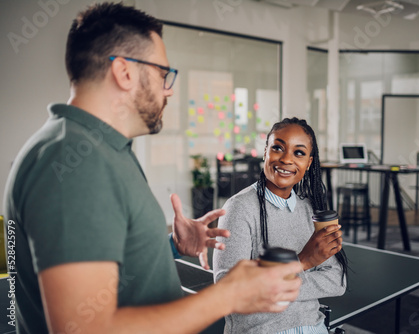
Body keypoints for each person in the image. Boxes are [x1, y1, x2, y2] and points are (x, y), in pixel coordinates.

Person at [3, 3, 303, 333]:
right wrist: (229, 295)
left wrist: (168, 246)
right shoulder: (78, 162)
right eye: (163, 74)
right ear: (124, 72)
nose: (169, 89)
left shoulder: (89, 146)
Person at [213, 117, 348, 334]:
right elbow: (228, 288)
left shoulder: (310, 210)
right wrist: (303, 262)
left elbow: (337, 281)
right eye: (278, 148)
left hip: (314, 328)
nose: (286, 159)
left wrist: (269, 286)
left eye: (299, 153)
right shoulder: (239, 208)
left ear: (309, 163)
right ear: (265, 151)